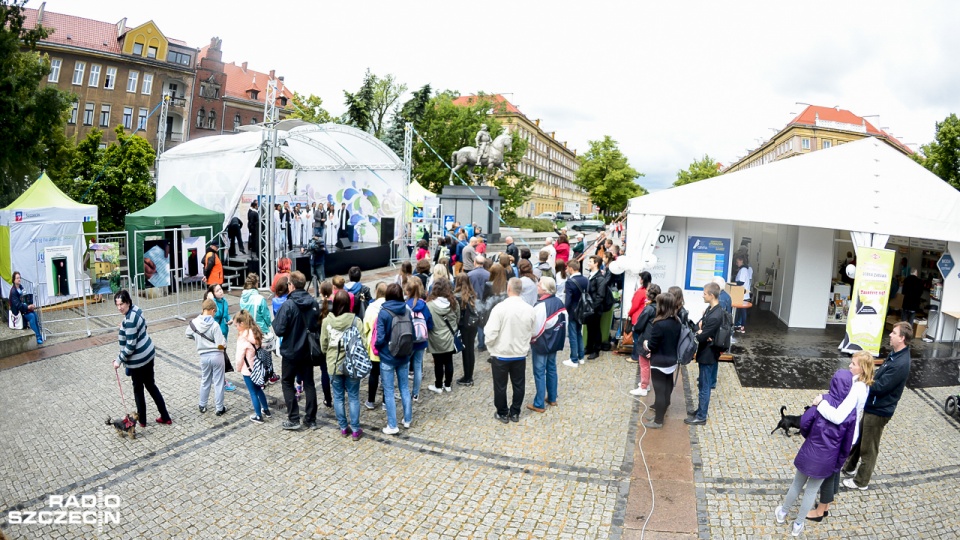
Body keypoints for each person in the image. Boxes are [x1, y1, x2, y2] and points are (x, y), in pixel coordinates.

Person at [775, 369, 858, 537]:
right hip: (828, 459)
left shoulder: (822, 401)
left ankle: (782, 513)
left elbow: (805, 422)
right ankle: (798, 524)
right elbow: (847, 443)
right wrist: (839, 462)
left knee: (796, 484)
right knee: (811, 492)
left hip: (810, 451)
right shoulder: (851, 412)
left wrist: (809, 437)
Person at [841, 322, 912, 490]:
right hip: (873, 407)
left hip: (879, 410)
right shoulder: (895, 355)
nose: (890, 335)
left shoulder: (901, 364)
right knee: (860, 439)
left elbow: (881, 387)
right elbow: (879, 376)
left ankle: (861, 482)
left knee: (869, 447)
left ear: (902, 338)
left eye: (894, 333)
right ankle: (850, 467)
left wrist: (862, 379)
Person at [806, 351, 875, 521]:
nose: (849, 366)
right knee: (835, 471)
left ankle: (820, 511)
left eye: (854, 364)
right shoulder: (862, 384)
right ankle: (826, 505)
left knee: (829, 473)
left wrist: (821, 403)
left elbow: (838, 417)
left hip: (843, 435)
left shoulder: (857, 387)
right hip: (849, 435)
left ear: (862, 368)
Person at [113, 290, 171, 426]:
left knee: (138, 390)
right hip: (148, 354)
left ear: (128, 302)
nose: (119, 307)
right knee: (151, 385)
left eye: (122, 304)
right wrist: (124, 327)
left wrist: (118, 360)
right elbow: (143, 326)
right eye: (117, 305)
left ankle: (142, 421)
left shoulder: (129, 320)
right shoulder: (136, 310)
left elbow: (130, 346)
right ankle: (165, 416)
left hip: (138, 361)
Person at [272, 271, 320, 431]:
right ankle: (311, 419)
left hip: (291, 351)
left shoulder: (288, 305)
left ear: (291, 285)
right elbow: (315, 326)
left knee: (287, 382)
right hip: (307, 350)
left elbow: (279, 330)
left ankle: (294, 418)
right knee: (309, 384)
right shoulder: (313, 303)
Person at [485, 278, 536, 423]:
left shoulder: (500, 308)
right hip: (519, 353)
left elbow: (491, 332)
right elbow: (533, 331)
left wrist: (491, 346)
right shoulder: (529, 309)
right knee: (518, 384)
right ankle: (515, 412)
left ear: (508, 288)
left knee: (500, 386)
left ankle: (502, 412)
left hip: (501, 353)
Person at [319, 290, 364, 440]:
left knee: (338, 397)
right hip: (352, 364)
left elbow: (323, 344)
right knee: (353, 396)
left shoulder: (326, 321)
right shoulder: (356, 321)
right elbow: (363, 343)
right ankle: (356, 429)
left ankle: (344, 428)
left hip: (333, 364)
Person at [374, 283, 414, 433]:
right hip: (404, 355)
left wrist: (380, 349)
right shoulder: (407, 310)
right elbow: (413, 334)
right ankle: (407, 419)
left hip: (388, 356)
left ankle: (392, 425)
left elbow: (379, 338)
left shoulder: (384, 313)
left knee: (389, 391)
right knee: (404, 387)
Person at [685, 282, 723, 426]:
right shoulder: (711, 310)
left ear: (711, 295)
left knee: (705, 386)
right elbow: (699, 327)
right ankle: (700, 410)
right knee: (702, 385)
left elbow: (701, 335)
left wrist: (702, 332)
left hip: (708, 354)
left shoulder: (715, 315)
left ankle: (701, 416)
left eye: (705, 293)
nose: (703, 295)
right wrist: (701, 330)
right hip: (705, 352)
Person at [640, 293, 680, 428]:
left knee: (659, 392)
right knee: (667, 387)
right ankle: (662, 410)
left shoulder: (659, 324)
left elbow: (652, 345)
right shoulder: (677, 321)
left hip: (659, 362)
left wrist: (645, 343)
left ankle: (658, 420)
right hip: (671, 360)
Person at [528, 277, 566, 412]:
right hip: (554, 341)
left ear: (544, 289)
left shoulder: (541, 306)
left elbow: (536, 328)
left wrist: (531, 339)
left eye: (539, 285)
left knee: (539, 372)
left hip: (542, 342)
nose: (537, 286)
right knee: (551, 369)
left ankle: (539, 403)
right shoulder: (559, 302)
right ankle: (552, 397)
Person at [234, 310, 270, 423]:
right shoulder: (255, 331)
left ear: (242, 324)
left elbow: (240, 357)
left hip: (248, 369)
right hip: (258, 368)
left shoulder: (243, 338)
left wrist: (238, 368)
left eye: (236, 325)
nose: (235, 327)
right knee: (259, 389)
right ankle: (266, 409)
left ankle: (258, 416)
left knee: (253, 392)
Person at [426, 278, 460, 394]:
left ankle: (438, 385)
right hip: (450, 336)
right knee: (449, 360)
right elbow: (458, 318)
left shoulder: (429, 305)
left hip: (435, 337)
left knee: (438, 362)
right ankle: (448, 384)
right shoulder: (454, 302)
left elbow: (427, 322)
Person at [404, 278, 434, 401]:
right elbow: (430, 323)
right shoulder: (424, 305)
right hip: (421, 340)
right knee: (417, 367)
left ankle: (405, 392)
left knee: (404, 367)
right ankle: (415, 394)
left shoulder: (405, 306)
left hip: (408, 341)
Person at [630, 284, 661, 396]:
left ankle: (644, 386)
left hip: (646, 338)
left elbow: (639, 325)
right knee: (647, 363)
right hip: (654, 337)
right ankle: (645, 383)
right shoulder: (660, 307)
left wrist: (635, 329)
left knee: (644, 363)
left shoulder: (648, 309)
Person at [204, 284, 236, 392]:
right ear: (213, 294)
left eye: (221, 289)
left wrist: (230, 320)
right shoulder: (212, 305)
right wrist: (211, 299)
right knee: (221, 359)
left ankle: (221, 380)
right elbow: (209, 317)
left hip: (224, 333)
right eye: (217, 291)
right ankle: (222, 382)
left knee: (222, 357)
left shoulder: (225, 301)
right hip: (216, 336)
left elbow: (226, 315)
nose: (220, 291)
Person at [362, 283, 388, 410]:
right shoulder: (390, 307)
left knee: (374, 374)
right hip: (387, 347)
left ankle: (371, 400)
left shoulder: (371, 308)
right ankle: (385, 402)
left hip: (373, 348)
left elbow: (365, 327)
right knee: (386, 375)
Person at [454, 274, 480, 386]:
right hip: (473, 325)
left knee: (466, 351)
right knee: (470, 350)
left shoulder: (457, 296)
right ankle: (470, 375)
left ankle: (467, 377)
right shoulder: (472, 294)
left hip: (463, 326)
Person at [562, 260, 588, 367]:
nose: (566, 270)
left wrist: (565, 309)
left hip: (573, 310)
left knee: (573, 334)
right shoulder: (586, 279)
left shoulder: (570, 282)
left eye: (567, 268)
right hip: (582, 309)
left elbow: (568, 299)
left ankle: (574, 359)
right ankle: (581, 357)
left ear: (571, 269)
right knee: (579, 333)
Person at [584, 256, 609, 360]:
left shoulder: (600, 278)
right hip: (590, 307)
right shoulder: (591, 275)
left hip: (595, 308)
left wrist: (593, 308)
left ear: (596, 264)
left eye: (590, 261)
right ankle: (589, 347)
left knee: (596, 329)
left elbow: (600, 296)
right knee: (590, 328)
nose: (588, 263)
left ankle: (596, 350)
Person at [8, 271, 42, 344]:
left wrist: (30, 305)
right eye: (17, 278)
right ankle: (37, 336)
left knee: (35, 315)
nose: (19, 279)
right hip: (18, 311)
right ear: (14, 280)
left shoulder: (20, 287)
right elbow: (18, 305)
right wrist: (28, 307)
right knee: (32, 316)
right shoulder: (13, 291)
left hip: (24, 309)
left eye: (19, 278)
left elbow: (25, 299)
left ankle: (39, 335)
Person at [733, 253, 753, 333]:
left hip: (743, 294)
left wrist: (732, 284)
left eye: (737, 262)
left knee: (742, 311)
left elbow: (741, 282)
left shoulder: (743, 270)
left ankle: (742, 327)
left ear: (741, 260)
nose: (736, 263)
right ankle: (739, 325)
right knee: (740, 311)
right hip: (743, 294)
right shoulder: (744, 269)